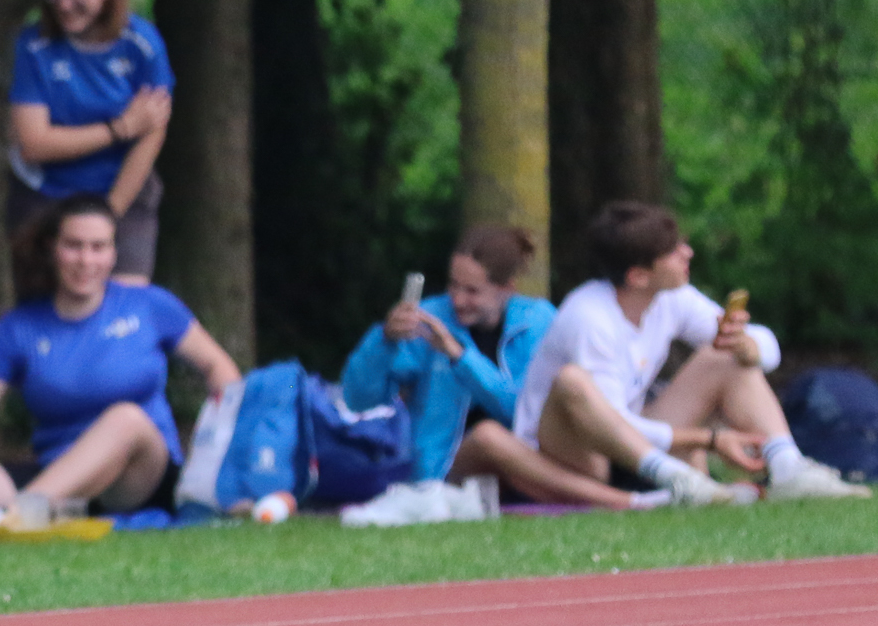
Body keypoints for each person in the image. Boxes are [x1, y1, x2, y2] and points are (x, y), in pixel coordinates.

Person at [0, 194, 241, 536]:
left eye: (98, 247)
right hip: (57, 479)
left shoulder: (149, 305)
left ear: (114, 253)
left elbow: (218, 366)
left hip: (139, 479)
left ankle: (17, 517)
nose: (86, 260)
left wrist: (223, 443)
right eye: (74, 245)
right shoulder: (19, 327)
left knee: (127, 419)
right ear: (51, 249)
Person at [513, 200, 866, 505]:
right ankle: (682, 482)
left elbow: (764, 347)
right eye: (672, 251)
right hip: (573, 458)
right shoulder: (589, 318)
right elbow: (611, 421)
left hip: (630, 446)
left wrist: (747, 347)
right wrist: (710, 440)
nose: (688, 253)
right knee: (572, 381)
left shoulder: (670, 297)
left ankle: (788, 469)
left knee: (724, 353)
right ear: (638, 277)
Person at [338, 223, 653, 509]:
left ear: (507, 288)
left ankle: (624, 491)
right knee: (487, 437)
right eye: (453, 286)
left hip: (534, 455)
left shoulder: (538, 320)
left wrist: (461, 358)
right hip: (448, 469)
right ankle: (624, 501)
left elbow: (524, 414)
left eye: (472, 291)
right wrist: (383, 341)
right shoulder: (428, 320)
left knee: (580, 448)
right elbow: (359, 400)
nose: (458, 300)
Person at [8, 0, 173, 285]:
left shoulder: (142, 44)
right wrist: (119, 129)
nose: (64, 4)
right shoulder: (33, 47)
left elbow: (151, 133)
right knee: (49, 310)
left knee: (124, 309)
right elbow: (34, 144)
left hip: (123, 194)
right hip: (45, 195)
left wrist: (107, 217)